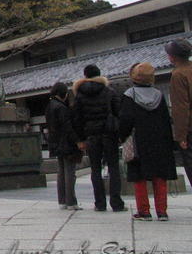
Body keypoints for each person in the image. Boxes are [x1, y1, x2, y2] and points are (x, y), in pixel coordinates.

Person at [118, 62, 177, 221]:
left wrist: (122, 136)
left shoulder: (129, 95)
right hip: (159, 139)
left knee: (139, 176)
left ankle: (144, 211)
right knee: (160, 175)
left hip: (138, 140)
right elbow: (166, 119)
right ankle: (162, 211)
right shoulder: (158, 95)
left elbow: (125, 120)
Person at [72, 64, 124, 212]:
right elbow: (118, 112)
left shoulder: (80, 95)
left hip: (91, 134)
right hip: (109, 133)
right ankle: (116, 202)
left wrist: (80, 139)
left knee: (95, 169)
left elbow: (77, 119)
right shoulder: (109, 92)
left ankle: (99, 203)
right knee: (113, 167)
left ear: (85, 76)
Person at [46, 82, 83, 210]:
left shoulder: (50, 106)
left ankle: (62, 200)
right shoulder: (61, 108)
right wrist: (77, 141)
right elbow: (67, 127)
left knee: (61, 172)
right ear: (63, 94)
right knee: (69, 172)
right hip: (66, 143)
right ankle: (71, 201)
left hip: (55, 142)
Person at [165, 38, 192, 187]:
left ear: (172, 56)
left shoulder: (178, 75)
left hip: (190, 128)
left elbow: (181, 107)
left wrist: (181, 135)